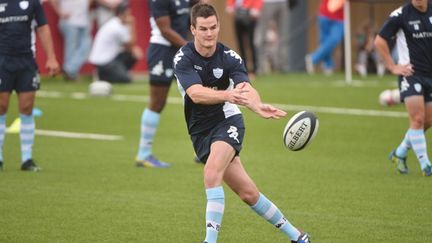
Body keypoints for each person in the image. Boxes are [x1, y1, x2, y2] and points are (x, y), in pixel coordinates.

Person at [173, 3, 311, 242]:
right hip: (199, 130)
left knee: (211, 172)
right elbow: (195, 94)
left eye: (214, 27)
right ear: (193, 29)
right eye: (204, 28)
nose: (210, 33)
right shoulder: (183, 58)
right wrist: (228, 94)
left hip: (228, 121)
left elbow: (245, 88)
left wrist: (256, 105)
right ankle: (298, 236)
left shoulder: (229, 57)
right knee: (248, 193)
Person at [0, 0, 60, 171]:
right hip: (2, 61)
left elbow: (43, 27)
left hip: (26, 61)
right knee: (1, 106)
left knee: (27, 107)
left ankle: (27, 158)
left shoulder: (33, 3)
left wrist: (51, 57)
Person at [375, 0, 432, 177]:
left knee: (427, 121)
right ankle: (426, 166)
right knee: (417, 118)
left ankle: (399, 153)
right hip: (411, 74)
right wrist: (393, 66)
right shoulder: (400, 15)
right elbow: (379, 41)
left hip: (430, 74)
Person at [134, 0, 191, 168]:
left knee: (197, 97)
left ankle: (203, 149)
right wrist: (190, 49)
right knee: (157, 102)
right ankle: (143, 154)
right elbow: (164, 29)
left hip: (181, 49)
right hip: (163, 51)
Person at [88, 1, 143, 84]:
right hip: (104, 63)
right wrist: (132, 25)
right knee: (126, 79)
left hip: (108, 59)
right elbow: (131, 44)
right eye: (127, 14)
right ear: (121, 14)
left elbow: (128, 47)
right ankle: (105, 75)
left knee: (132, 54)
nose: (130, 17)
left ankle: (116, 73)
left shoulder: (115, 23)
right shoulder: (116, 27)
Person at [49, 0, 92, 81]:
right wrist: (60, 12)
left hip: (84, 20)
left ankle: (69, 69)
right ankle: (71, 74)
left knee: (87, 46)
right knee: (71, 49)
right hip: (69, 21)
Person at [305, 0, 345, 75]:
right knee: (324, 41)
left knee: (334, 39)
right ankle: (328, 65)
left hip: (340, 17)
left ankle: (313, 58)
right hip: (324, 14)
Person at [225, 0, 262, 77]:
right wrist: (230, 7)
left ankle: (254, 69)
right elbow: (230, 3)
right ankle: (244, 68)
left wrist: (256, 9)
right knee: (240, 44)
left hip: (250, 15)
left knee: (251, 43)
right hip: (238, 15)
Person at [254, 0, 288, 74]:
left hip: (283, 2)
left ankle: (281, 66)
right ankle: (260, 66)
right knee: (261, 36)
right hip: (267, 2)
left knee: (283, 36)